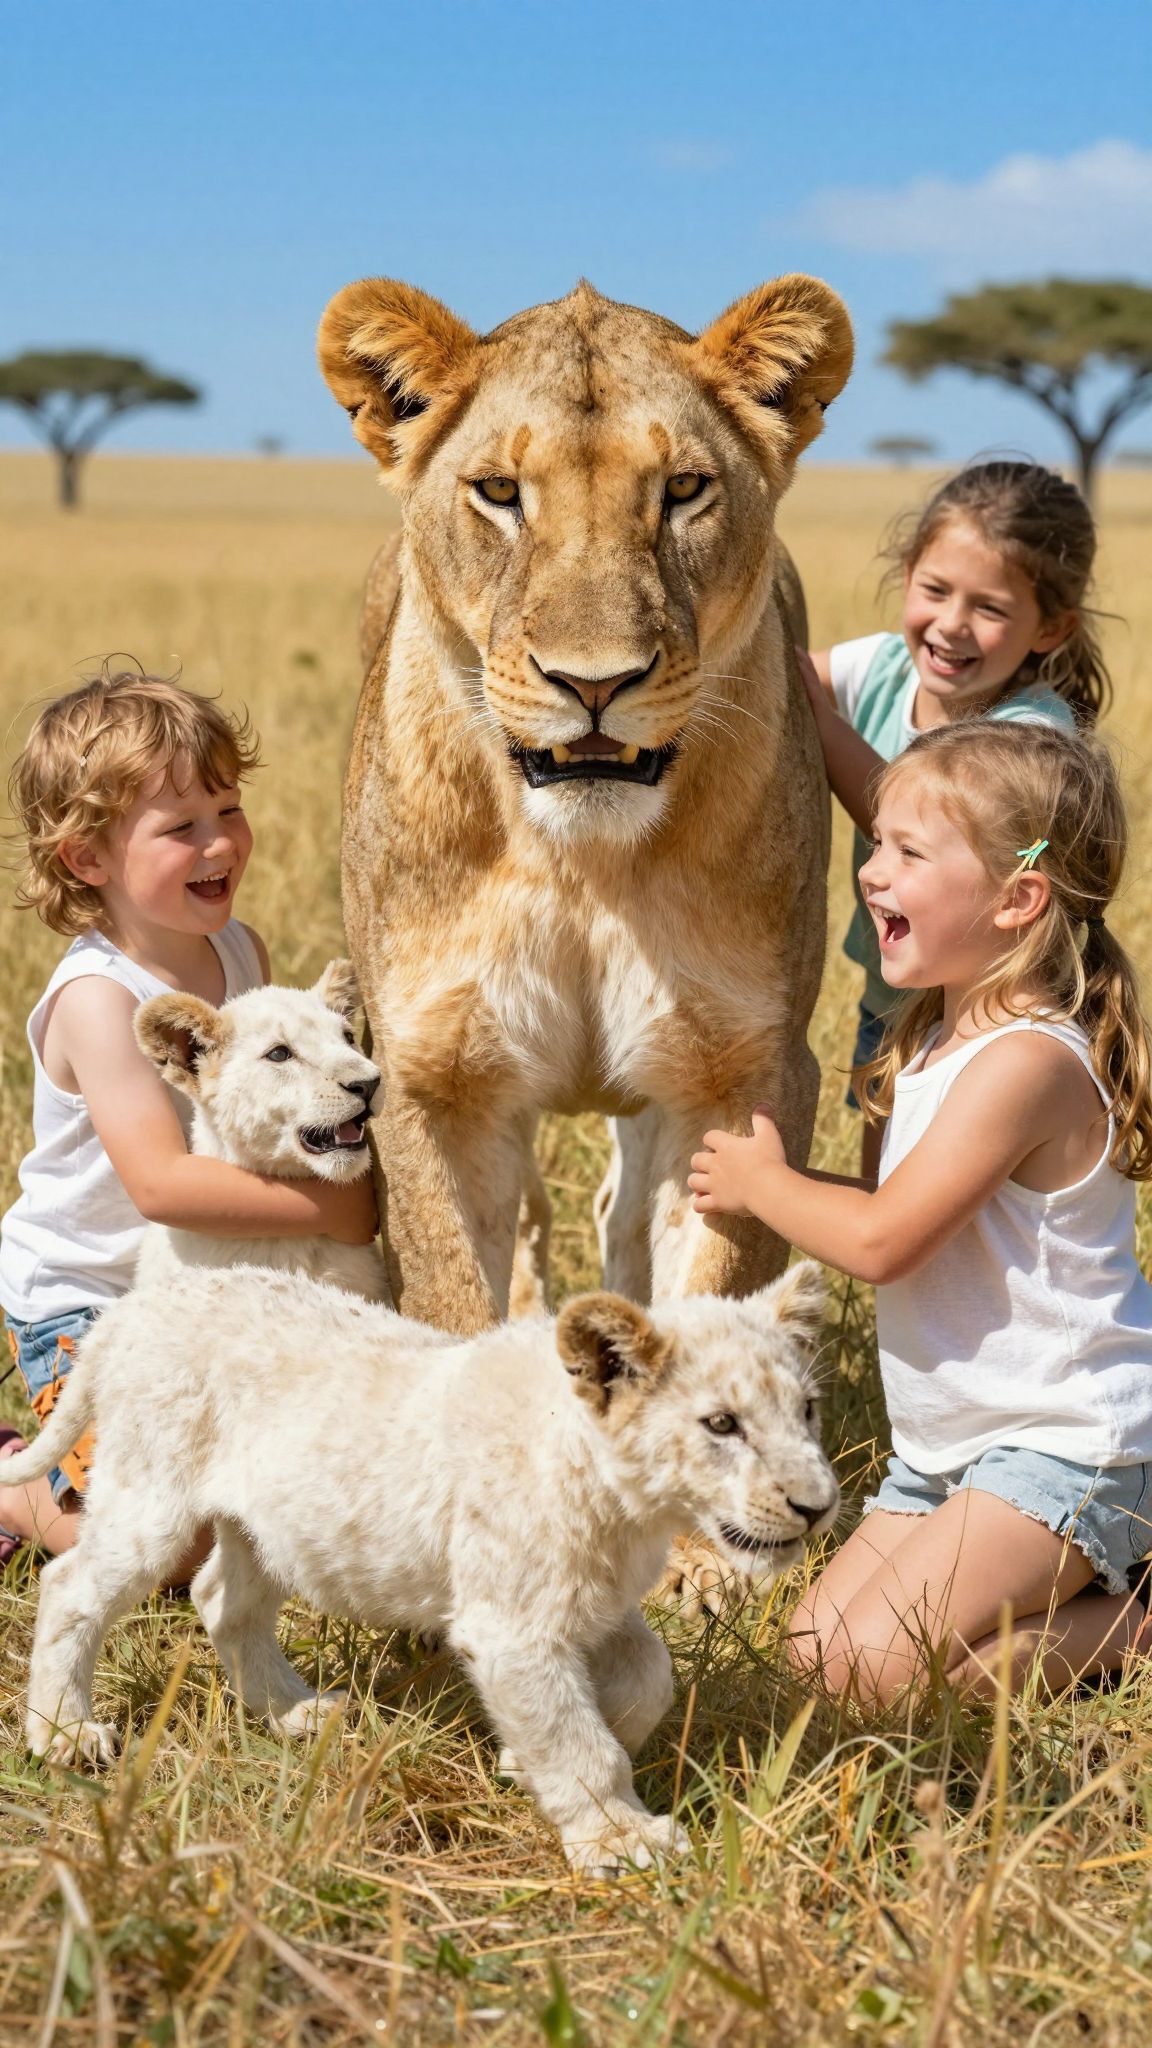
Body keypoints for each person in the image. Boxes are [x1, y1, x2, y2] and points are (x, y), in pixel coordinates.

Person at [689, 722, 1152, 1705]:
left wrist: (764, 1185)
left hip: (1067, 1445)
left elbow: (885, 1242)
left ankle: (1134, 1625)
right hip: (948, 1453)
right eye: (875, 843)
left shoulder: (1026, 1061)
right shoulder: (941, 1036)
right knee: (811, 1665)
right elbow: (901, 1208)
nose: (870, 870)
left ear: (1016, 898)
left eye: (908, 851)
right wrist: (789, 1176)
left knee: (880, 1677)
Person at [0, 664, 377, 1565]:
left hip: (206, 1284)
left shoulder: (239, 949)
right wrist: (345, 1207)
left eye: (228, 810)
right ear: (87, 860)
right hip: (91, 1303)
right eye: (182, 829)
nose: (221, 845)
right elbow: (162, 1184)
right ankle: (16, 1488)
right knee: (157, 1550)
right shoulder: (98, 1000)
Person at [799, 460, 1109, 1178]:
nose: (951, 625)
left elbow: (916, 823)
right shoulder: (879, 669)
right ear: (907, 573)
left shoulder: (1031, 733)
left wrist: (820, 727)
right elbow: (783, 675)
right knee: (888, 1193)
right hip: (895, 995)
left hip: (991, 1014)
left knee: (968, 1220)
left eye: (990, 609)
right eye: (934, 589)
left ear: (1052, 627)